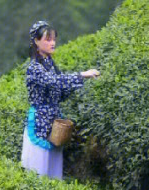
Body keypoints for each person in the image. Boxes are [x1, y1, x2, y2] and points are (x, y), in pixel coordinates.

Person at [21, 20, 100, 179]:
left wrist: (82, 82)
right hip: (40, 122)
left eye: (54, 39)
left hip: (53, 121)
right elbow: (55, 81)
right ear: (36, 42)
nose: (53, 43)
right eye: (48, 39)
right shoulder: (34, 68)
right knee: (39, 172)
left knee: (53, 173)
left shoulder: (50, 64)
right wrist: (82, 75)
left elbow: (60, 90)